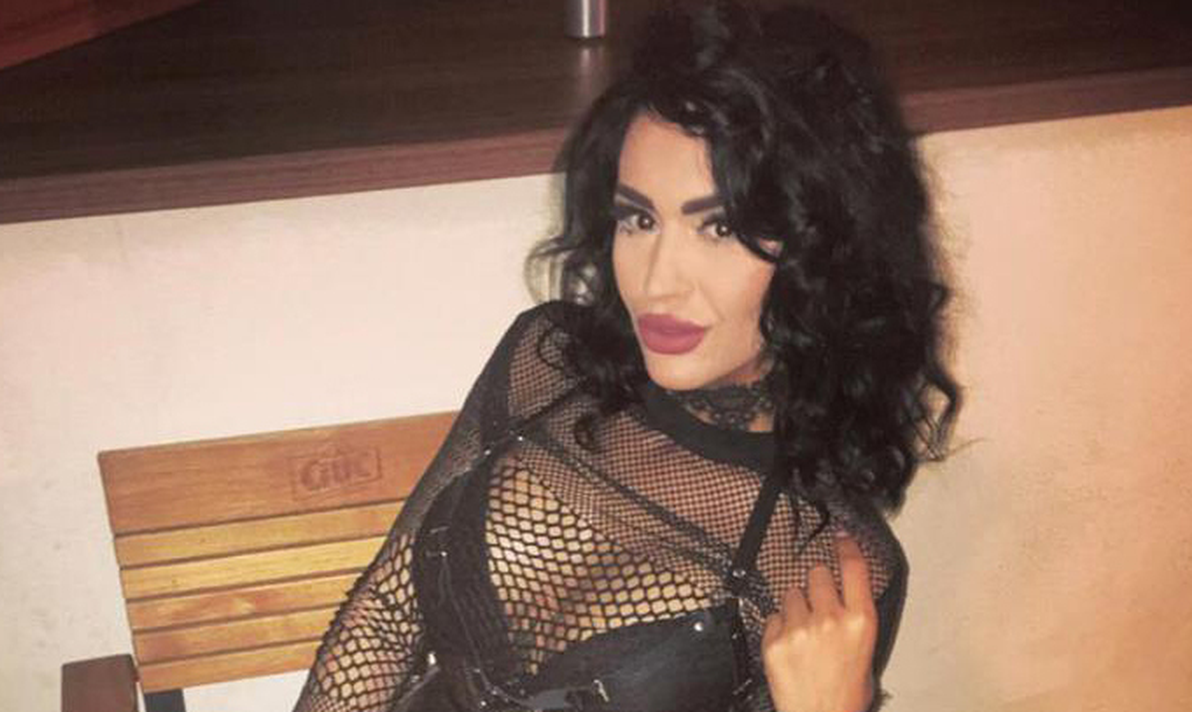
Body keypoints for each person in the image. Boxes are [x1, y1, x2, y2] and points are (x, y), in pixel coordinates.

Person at [294, 2, 958, 711]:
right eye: (639, 218)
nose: (656, 281)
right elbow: (383, 622)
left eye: (719, 228)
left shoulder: (826, 562)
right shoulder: (548, 361)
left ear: (820, 251)